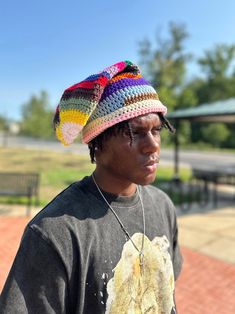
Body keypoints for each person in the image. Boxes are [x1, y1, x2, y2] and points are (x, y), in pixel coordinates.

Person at [0, 60, 183, 314]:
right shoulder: (55, 233)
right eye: (136, 132)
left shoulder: (162, 206)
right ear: (98, 143)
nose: (152, 145)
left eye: (157, 130)